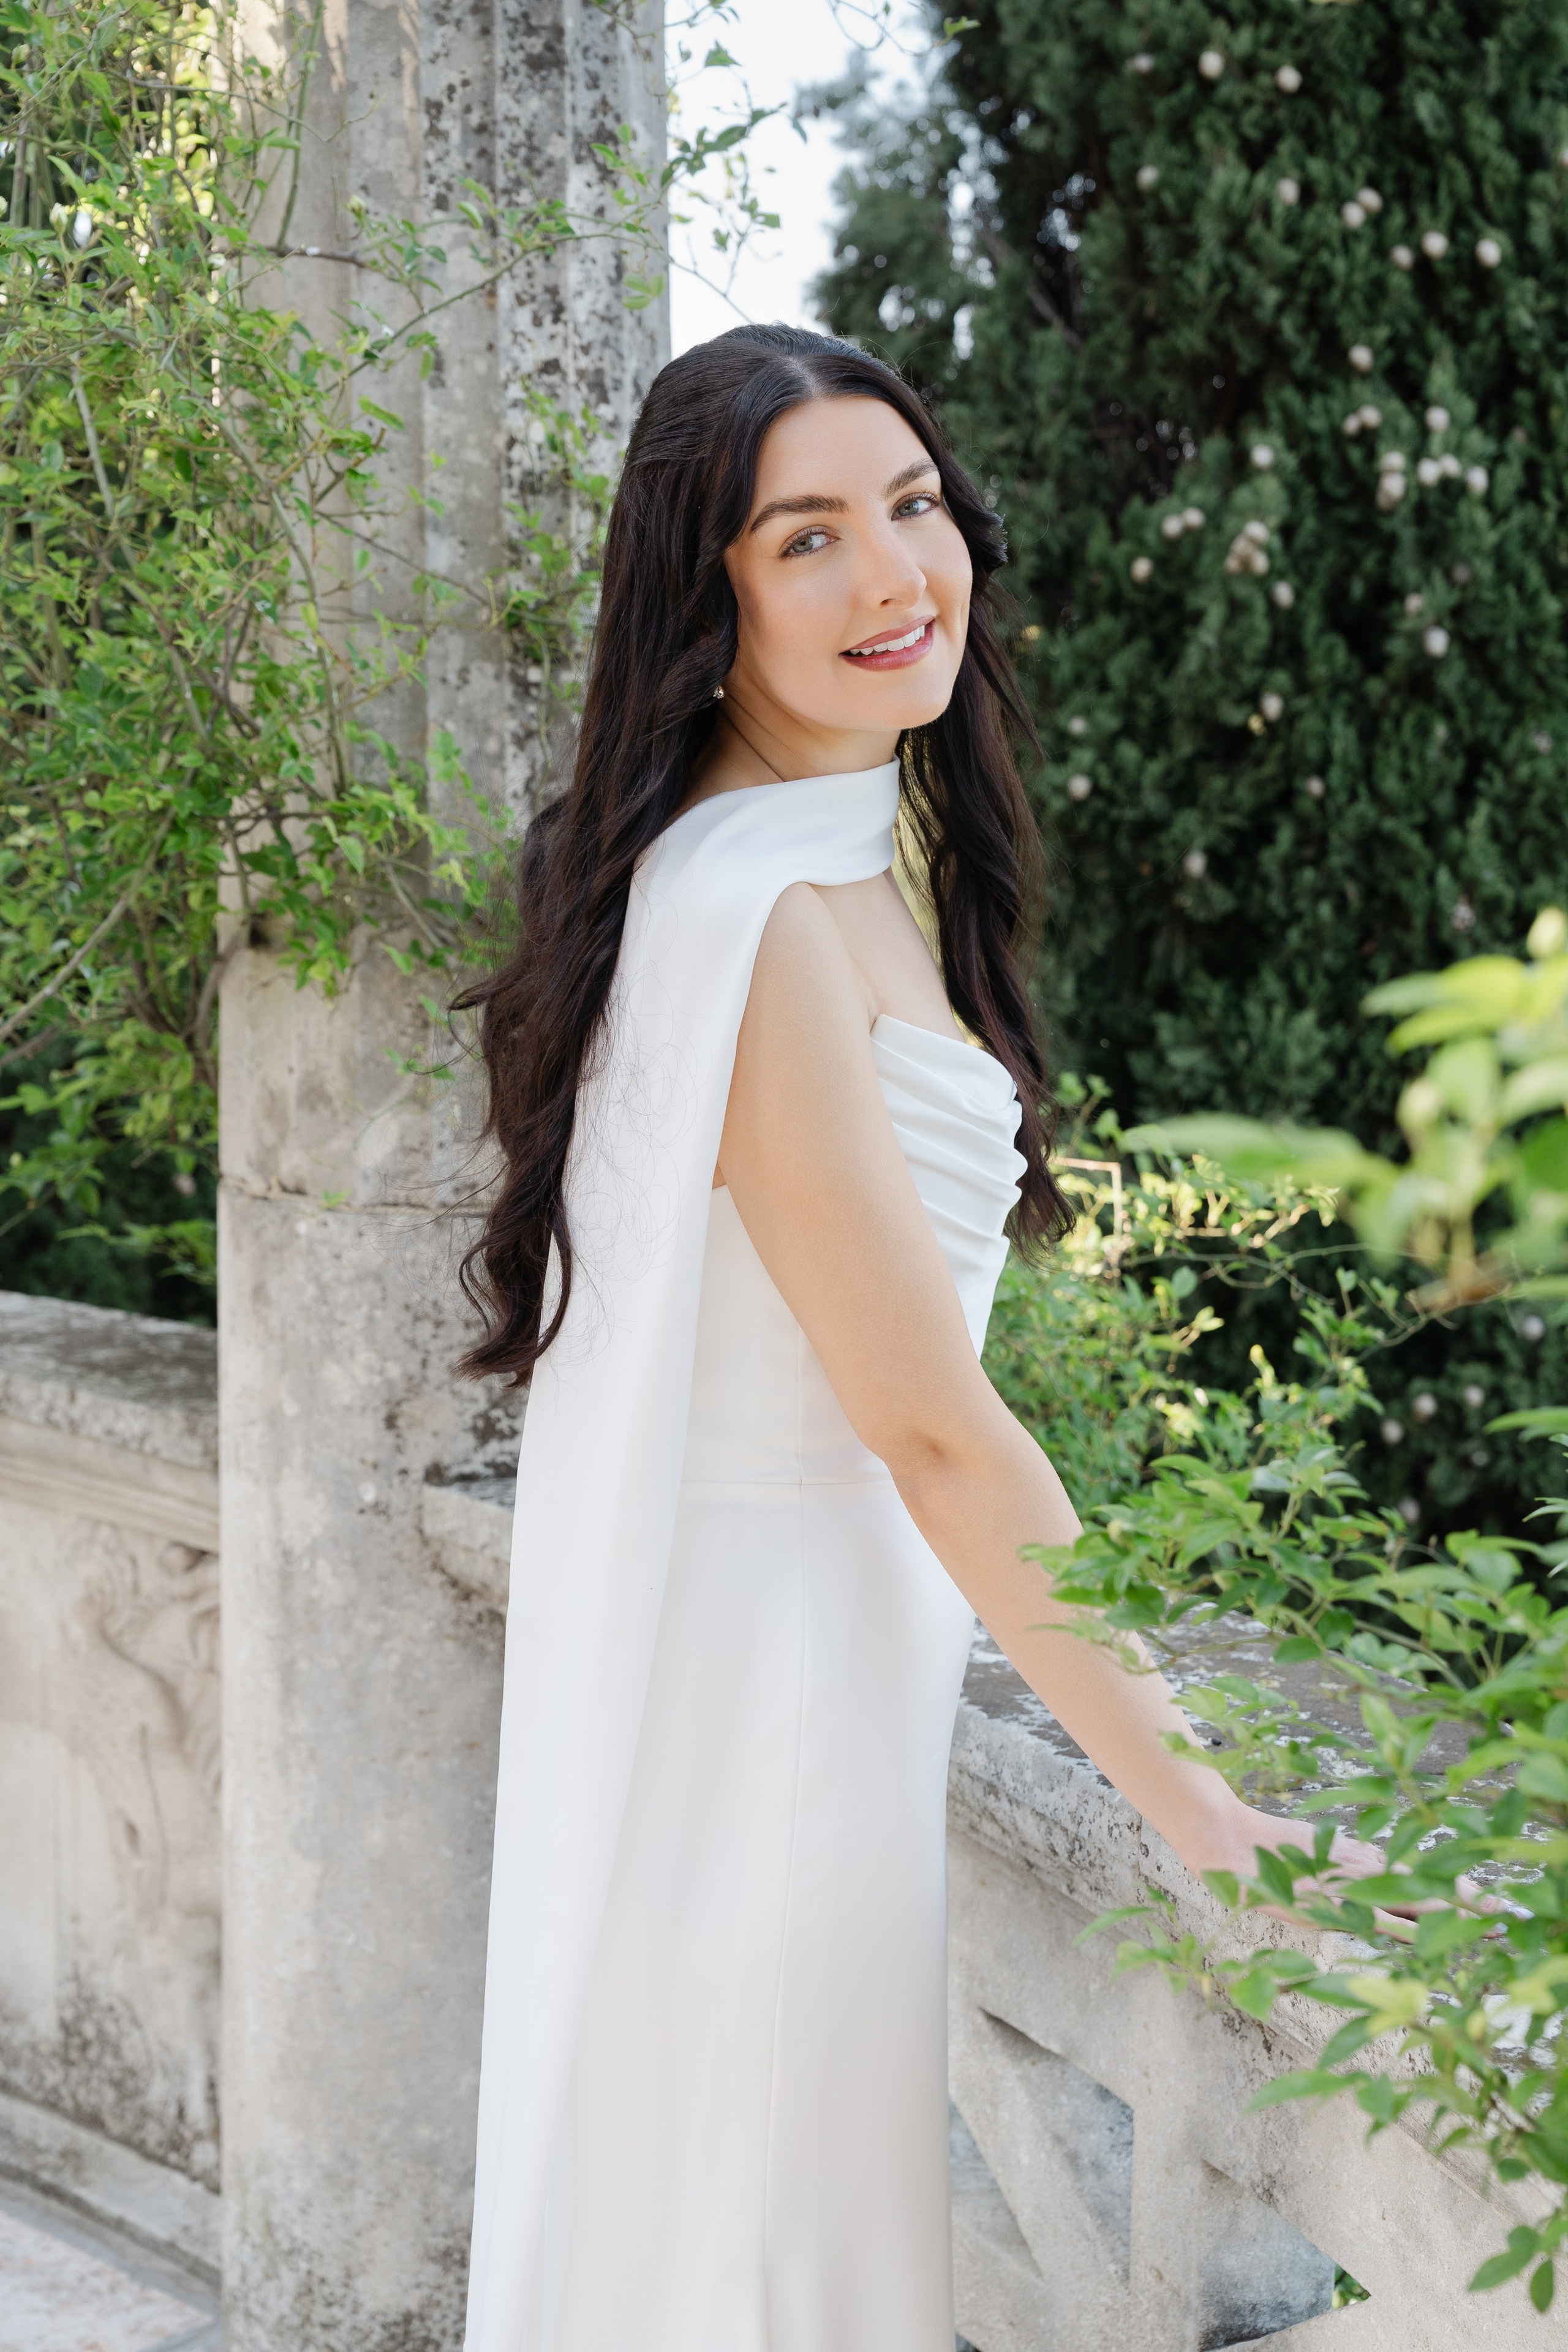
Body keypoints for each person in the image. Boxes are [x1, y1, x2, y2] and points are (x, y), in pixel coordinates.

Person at [453, 324, 1389, 2352]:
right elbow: (931, 1425)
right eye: (808, 537)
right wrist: (1197, 1802)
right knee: (758, 2261)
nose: (896, 574)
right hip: (776, 1704)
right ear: (704, 597)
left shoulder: (778, 861)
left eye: (912, 504)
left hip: (788, 1664)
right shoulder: (772, 921)